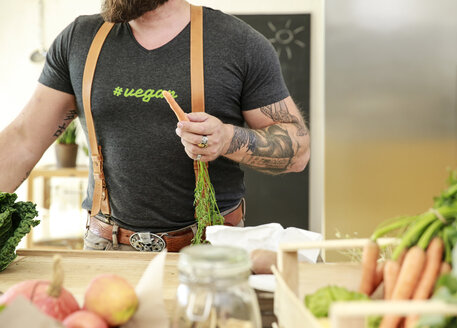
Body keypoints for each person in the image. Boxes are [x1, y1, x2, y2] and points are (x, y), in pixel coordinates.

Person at [0, 0, 310, 252]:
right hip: (105, 248)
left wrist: (227, 138)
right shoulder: (80, 39)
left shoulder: (239, 43)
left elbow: (297, 151)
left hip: (212, 249)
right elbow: (23, 140)